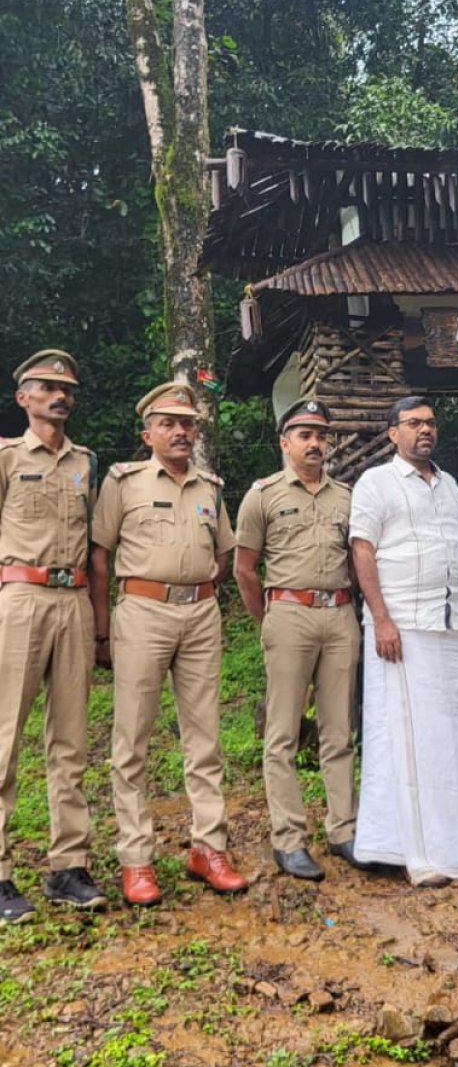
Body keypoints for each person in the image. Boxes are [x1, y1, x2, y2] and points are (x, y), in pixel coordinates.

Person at [89, 382, 248, 906]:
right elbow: (99, 555)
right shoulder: (123, 481)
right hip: (142, 612)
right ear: (148, 433)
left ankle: (209, 848)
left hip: (200, 614)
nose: (180, 432)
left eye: (187, 425)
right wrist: (103, 629)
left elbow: (223, 556)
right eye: (168, 424)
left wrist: (195, 589)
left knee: (204, 739)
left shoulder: (210, 487)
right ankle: (136, 859)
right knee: (131, 741)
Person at [349, 396, 458, 887]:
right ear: (393, 434)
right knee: (408, 738)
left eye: (430, 422)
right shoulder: (376, 482)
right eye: (413, 423)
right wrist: (381, 619)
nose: (424, 430)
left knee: (456, 739)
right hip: (402, 628)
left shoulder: (450, 485)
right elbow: (362, 551)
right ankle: (421, 854)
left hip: (451, 626)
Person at [235, 399, 362, 882]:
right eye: (304, 435)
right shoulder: (262, 496)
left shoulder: (346, 496)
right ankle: (288, 840)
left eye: (321, 435)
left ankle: (343, 829)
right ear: (285, 443)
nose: (315, 443)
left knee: (338, 731)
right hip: (287, 614)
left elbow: (355, 560)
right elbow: (244, 569)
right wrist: (268, 620)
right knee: (282, 734)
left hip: (339, 615)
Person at [0, 350, 106, 923]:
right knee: (4, 736)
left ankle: (68, 864)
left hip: (73, 601)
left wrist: (97, 617)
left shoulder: (84, 462)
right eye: (46, 387)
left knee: (69, 740)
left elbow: (92, 542)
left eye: (66, 387)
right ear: (23, 397)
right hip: (19, 597)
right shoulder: (8, 457)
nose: (59, 395)